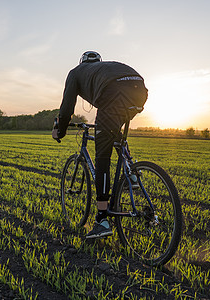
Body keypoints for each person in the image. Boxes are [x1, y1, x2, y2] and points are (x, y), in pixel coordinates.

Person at [53, 51, 148, 239]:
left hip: (113, 92)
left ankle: (102, 219)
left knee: (102, 157)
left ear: (82, 62)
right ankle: (131, 173)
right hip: (139, 89)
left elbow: (67, 107)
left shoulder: (75, 73)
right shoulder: (103, 69)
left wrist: (60, 129)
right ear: (98, 62)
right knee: (112, 131)